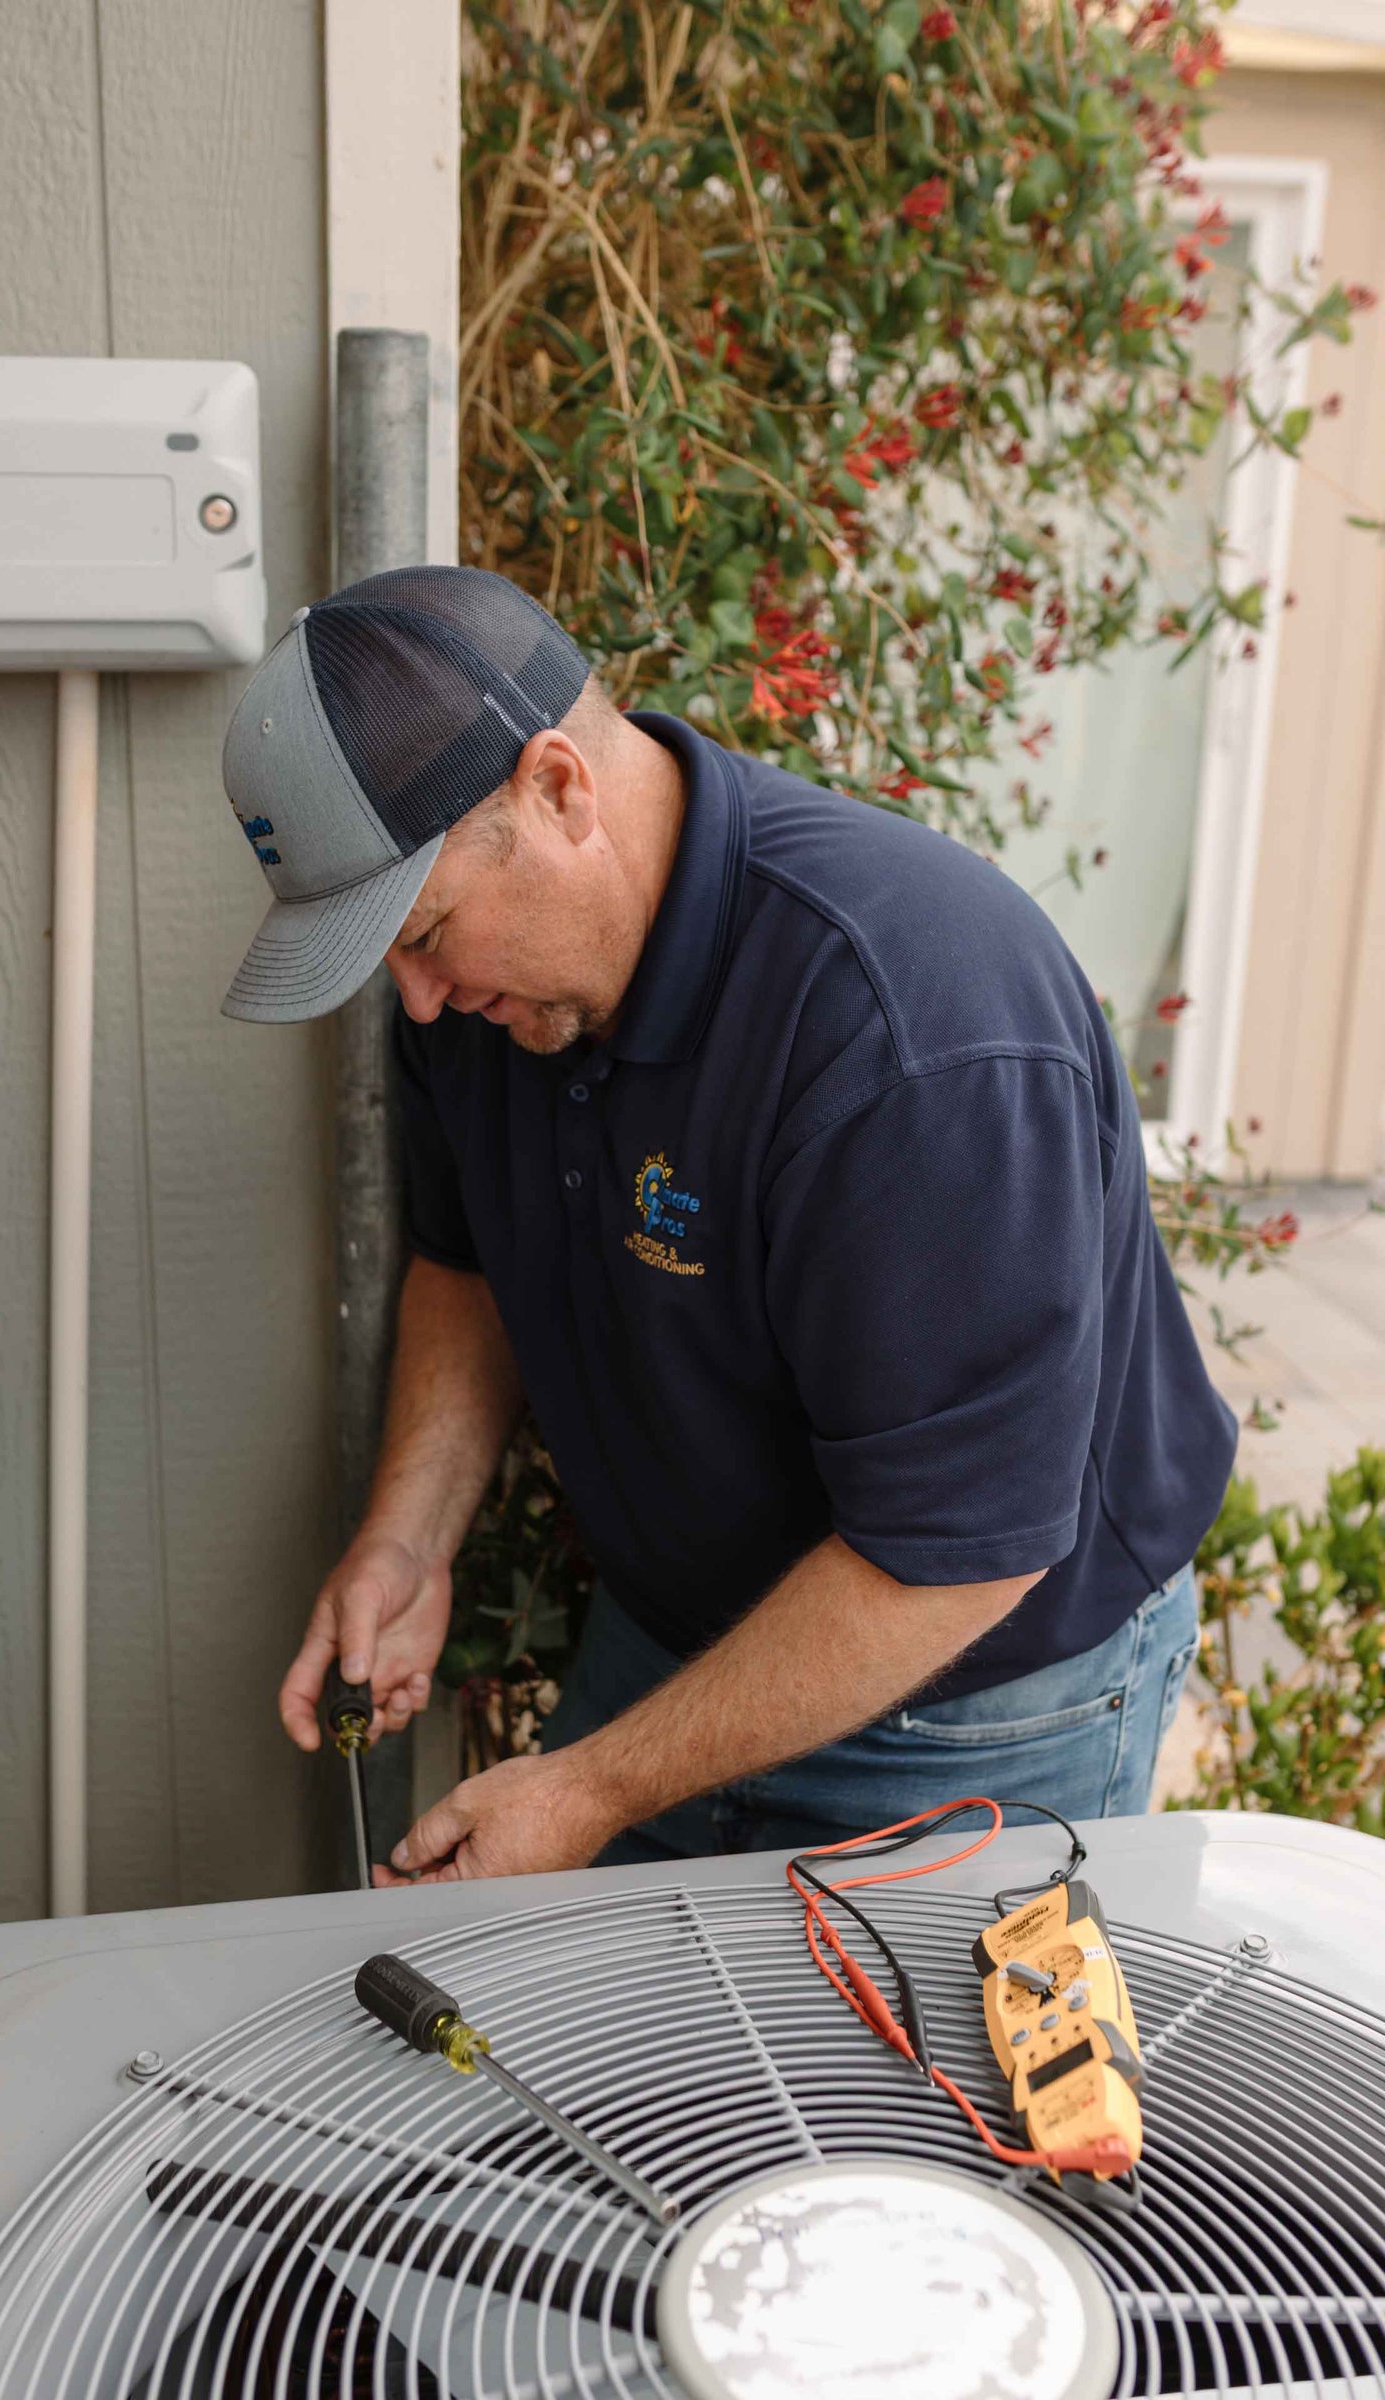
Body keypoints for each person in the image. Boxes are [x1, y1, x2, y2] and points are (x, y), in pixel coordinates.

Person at [219, 565, 1236, 1885]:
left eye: (424, 933)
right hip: (672, 1647)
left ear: (561, 792)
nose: (412, 1003)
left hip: (979, 1704)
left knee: (917, 2098)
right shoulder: (485, 1000)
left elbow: (954, 1555)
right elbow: (465, 1264)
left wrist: (594, 1785)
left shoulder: (911, 1029)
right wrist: (408, 1540)